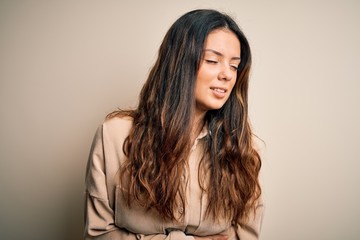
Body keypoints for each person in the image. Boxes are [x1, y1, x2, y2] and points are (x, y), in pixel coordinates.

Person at [84, 9, 264, 240]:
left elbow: (246, 236)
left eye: (234, 66)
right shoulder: (114, 136)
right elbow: (98, 235)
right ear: (180, 63)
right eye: (212, 60)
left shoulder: (244, 150)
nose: (227, 75)